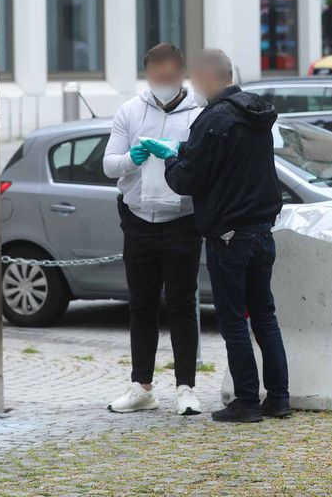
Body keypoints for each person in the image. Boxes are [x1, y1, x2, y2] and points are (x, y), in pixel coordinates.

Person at [140, 49, 290, 423]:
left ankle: (246, 403)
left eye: (193, 78)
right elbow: (229, 165)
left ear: (207, 78)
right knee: (265, 317)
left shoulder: (214, 118)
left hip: (229, 234)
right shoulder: (256, 112)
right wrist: (186, 152)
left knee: (234, 319)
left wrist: (171, 158)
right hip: (261, 230)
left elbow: (187, 180)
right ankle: (279, 398)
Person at [102, 43, 203, 416]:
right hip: (138, 221)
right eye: (155, 75)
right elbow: (109, 165)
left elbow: (206, 164)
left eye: (169, 75)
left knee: (181, 306)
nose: (162, 81)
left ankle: (186, 388)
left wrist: (178, 152)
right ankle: (141, 386)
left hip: (182, 221)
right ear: (148, 75)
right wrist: (132, 158)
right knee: (141, 306)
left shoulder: (200, 113)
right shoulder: (130, 110)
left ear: (181, 74)